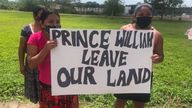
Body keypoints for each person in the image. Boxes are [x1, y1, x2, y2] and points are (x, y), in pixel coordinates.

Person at [114, 3, 164, 108]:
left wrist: (158, 58)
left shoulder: (156, 34)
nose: (144, 16)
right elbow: (115, 49)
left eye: (147, 14)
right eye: (141, 14)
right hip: (125, 71)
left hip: (143, 75)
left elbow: (160, 55)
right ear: (134, 16)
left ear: (152, 16)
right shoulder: (125, 29)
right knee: (120, 99)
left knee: (139, 103)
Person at [27, 9, 79, 108]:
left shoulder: (67, 37)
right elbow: (31, 64)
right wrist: (45, 49)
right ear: (42, 24)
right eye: (50, 22)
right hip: (47, 86)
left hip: (68, 84)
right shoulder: (35, 38)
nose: (55, 25)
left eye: (58, 22)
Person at [18, 6, 45, 103]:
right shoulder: (26, 29)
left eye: (43, 15)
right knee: (34, 88)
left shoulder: (47, 28)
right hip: (32, 64)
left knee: (44, 87)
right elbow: (21, 48)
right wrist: (21, 65)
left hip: (44, 63)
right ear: (34, 15)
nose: (40, 17)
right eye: (39, 15)